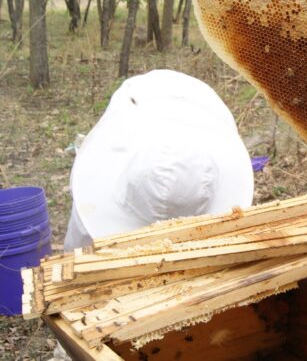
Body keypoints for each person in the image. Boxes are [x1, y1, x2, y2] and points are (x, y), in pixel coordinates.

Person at [51, 69, 254, 360]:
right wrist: (71, 345)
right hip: (136, 102)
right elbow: (76, 265)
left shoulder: (213, 156)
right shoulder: (116, 154)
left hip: (201, 108)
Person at [63, 69, 254, 250]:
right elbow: (78, 248)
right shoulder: (127, 126)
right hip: (139, 98)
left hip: (200, 101)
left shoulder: (212, 134)